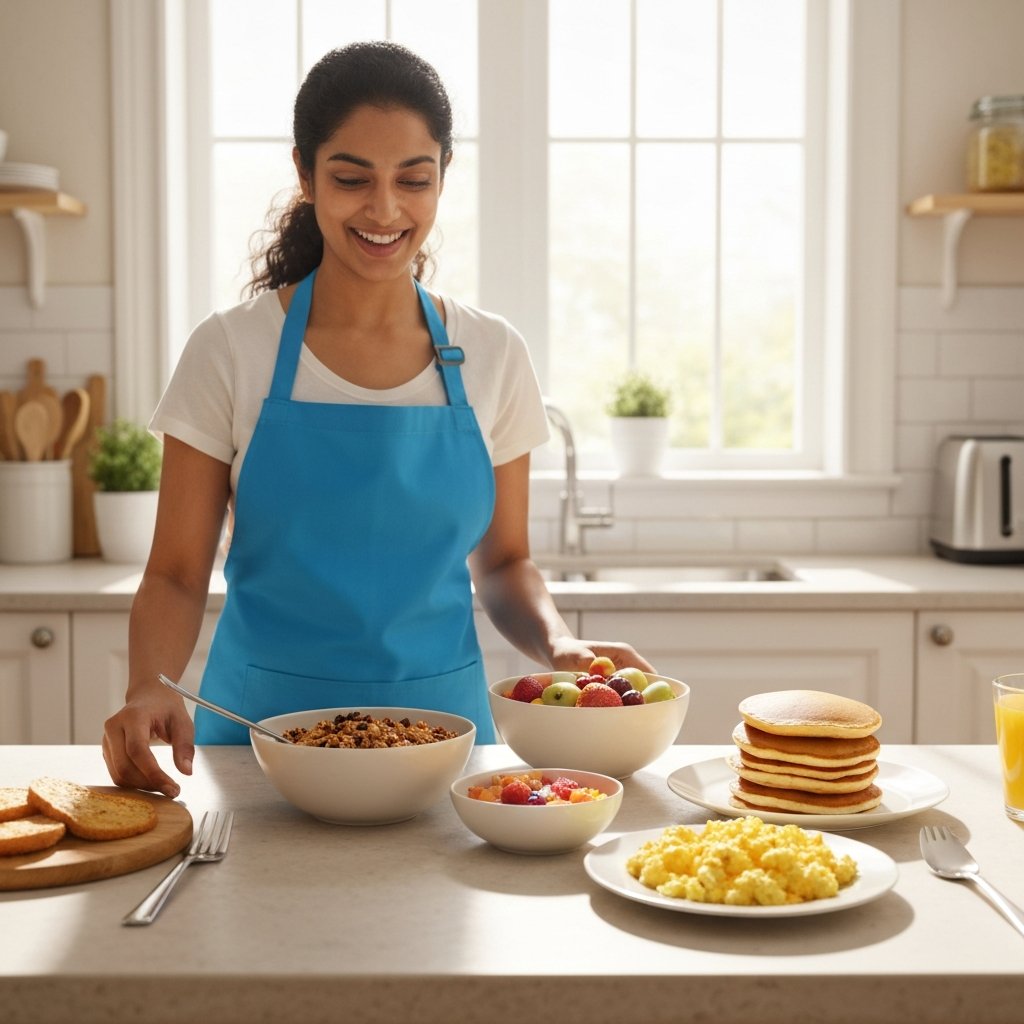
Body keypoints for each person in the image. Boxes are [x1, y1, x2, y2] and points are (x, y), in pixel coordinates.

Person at [102, 40, 654, 799]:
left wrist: (560, 647)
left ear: (442, 178)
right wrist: (149, 684)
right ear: (305, 173)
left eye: (413, 180)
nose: (385, 209)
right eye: (352, 178)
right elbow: (174, 572)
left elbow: (503, 564)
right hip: (261, 749)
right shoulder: (231, 349)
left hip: (444, 749)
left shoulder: (491, 353)